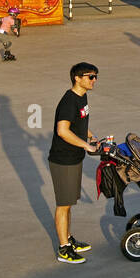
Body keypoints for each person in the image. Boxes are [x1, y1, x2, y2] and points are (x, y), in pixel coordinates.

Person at [48, 62, 108, 264]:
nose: (94, 80)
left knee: (69, 203)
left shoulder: (82, 97)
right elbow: (62, 131)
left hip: (74, 159)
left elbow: (80, 124)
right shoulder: (69, 101)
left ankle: (68, 238)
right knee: (63, 205)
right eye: (90, 76)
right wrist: (87, 146)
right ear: (77, 78)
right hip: (63, 160)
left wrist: (92, 138)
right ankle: (64, 249)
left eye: (96, 76)